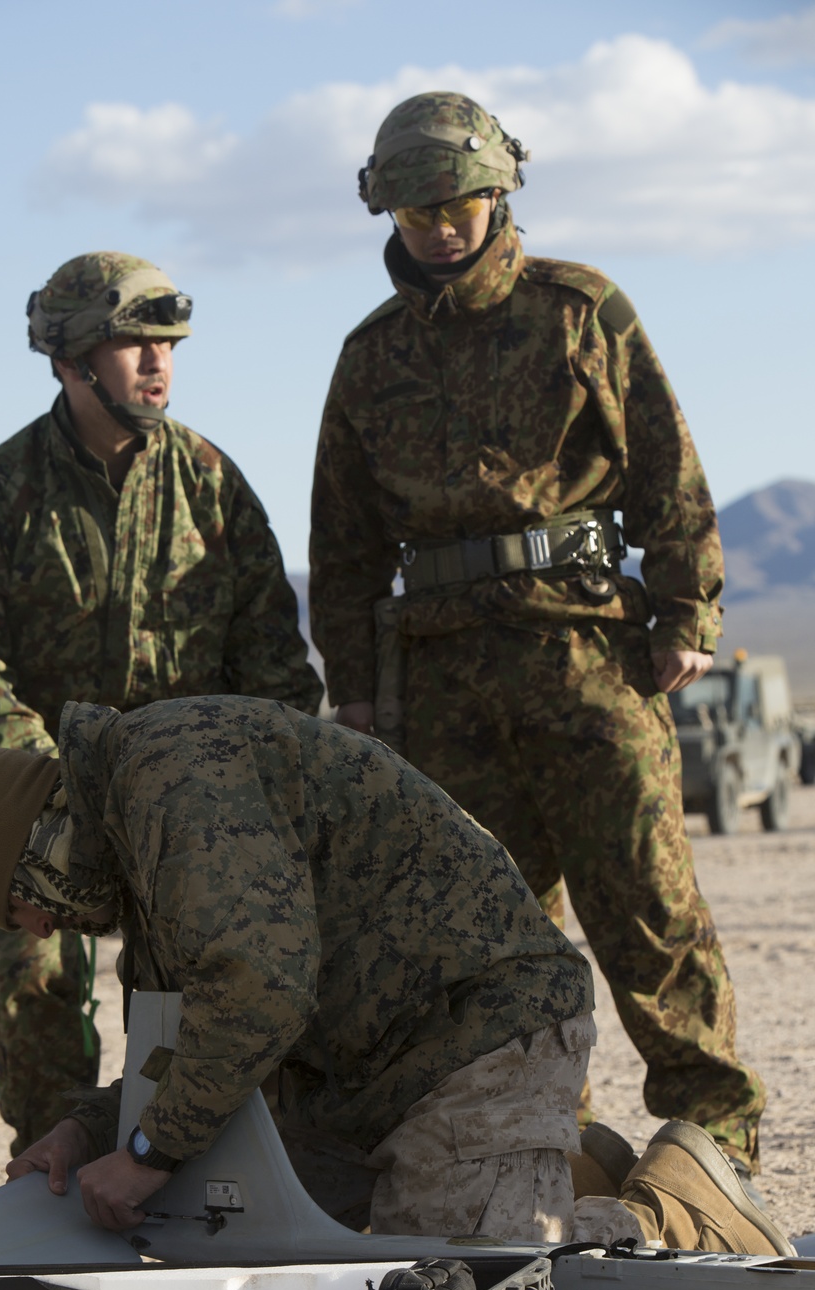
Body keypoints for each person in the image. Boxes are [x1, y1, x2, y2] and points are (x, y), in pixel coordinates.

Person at [308, 91, 766, 1192]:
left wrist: (687, 612)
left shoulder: (580, 310)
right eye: (417, 212)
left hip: (585, 653)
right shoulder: (367, 360)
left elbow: (666, 467)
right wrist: (358, 692)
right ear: (387, 212)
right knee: (485, 936)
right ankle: (549, 1143)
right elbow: (345, 542)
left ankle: (713, 1144)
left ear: (498, 189)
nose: (440, 228)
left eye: (457, 203)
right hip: (442, 677)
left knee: (647, 908)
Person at [0, 695, 793, 1258]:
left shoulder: (170, 776)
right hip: (351, 1077)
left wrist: (144, 1155)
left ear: (34, 848)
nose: (40, 927)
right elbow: (181, 1051)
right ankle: (543, 1166)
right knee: (249, 1243)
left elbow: (260, 989)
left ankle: (670, 1213)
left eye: (23, 904)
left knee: (452, 1284)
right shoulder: (139, 857)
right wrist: (86, 1130)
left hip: (473, 1027)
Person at [0, 252, 322, 1154]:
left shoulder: (213, 485)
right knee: (32, 968)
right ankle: (53, 1163)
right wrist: (54, 805)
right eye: (130, 343)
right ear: (70, 362)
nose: (156, 362)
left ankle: (182, 1163)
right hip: (48, 797)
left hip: (190, 802)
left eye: (166, 343)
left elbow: (274, 667)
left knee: (196, 982)